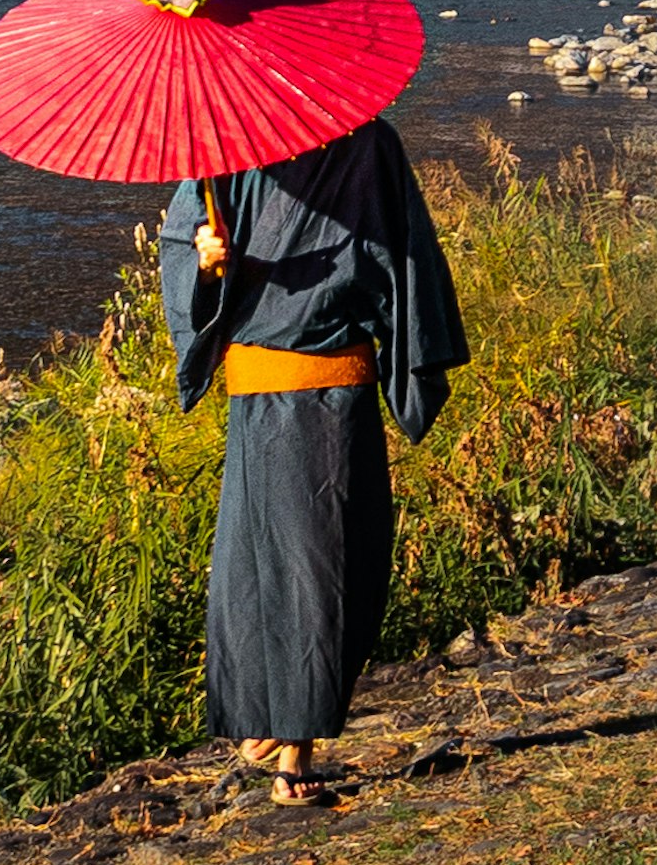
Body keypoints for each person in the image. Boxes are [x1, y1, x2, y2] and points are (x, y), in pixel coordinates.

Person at [159, 115, 467, 805]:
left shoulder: (370, 144)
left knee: (330, 564)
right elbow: (183, 249)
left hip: (338, 384)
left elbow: (403, 250)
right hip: (266, 389)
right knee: (283, 565)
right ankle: (289, 746)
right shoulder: (224, 147)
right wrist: (206, 260)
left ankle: (274, 725)